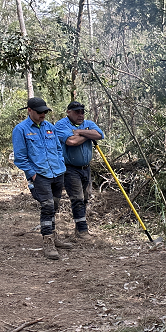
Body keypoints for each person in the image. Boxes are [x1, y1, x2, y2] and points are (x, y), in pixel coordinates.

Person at [12, 97, 74, 260]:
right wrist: (32, 174)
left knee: (54, 206)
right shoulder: (21, 130)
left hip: (57, 173)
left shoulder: (50, 128)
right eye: (40, 112)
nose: (43, 115)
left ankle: (53, 236)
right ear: (29, 110)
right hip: (40, 175)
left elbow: (59, 149)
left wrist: (61, 165)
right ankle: (48, 241)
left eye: (45, 111)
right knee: (46, 206)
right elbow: (19, 157)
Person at [54, 101, 104, 241]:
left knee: (86, 198)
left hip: (86, 168)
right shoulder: (61, 125)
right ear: (69, 112)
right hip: (70, 169)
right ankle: (82, 231)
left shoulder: (87, 123)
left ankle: (79, 227)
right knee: (77, 198)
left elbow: (99, 134)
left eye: (82, 111)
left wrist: (81, 132)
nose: (80, 115)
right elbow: (71, 142)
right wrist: (89, 134)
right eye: (77, 112)